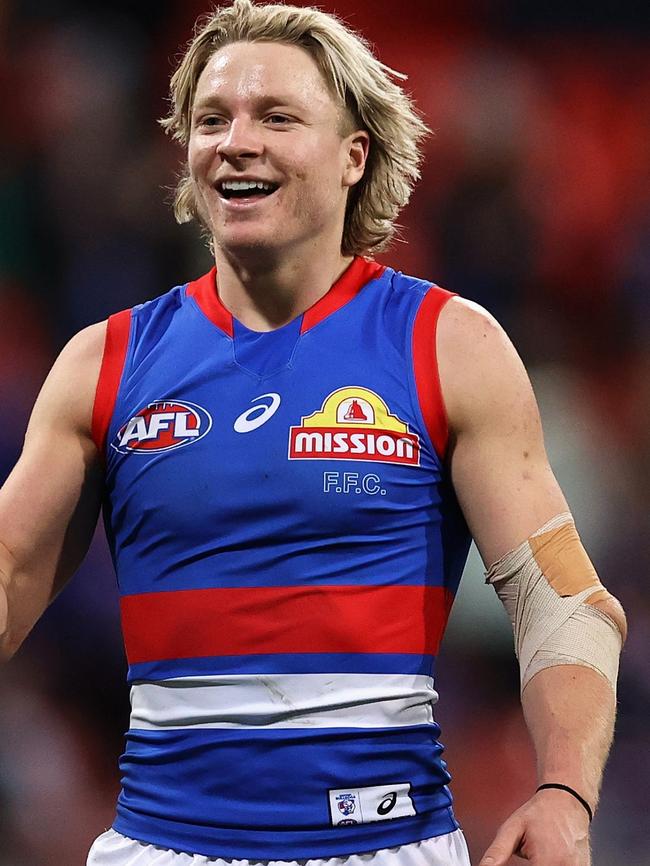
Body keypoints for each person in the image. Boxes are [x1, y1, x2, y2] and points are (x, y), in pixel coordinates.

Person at [0, 1, 627, 864]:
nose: (236, 140)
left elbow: (563, 605)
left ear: (352, 157)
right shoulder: (102, 365)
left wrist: (563, 792)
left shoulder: (449, 347)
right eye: (211, 119)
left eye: (277, 116)